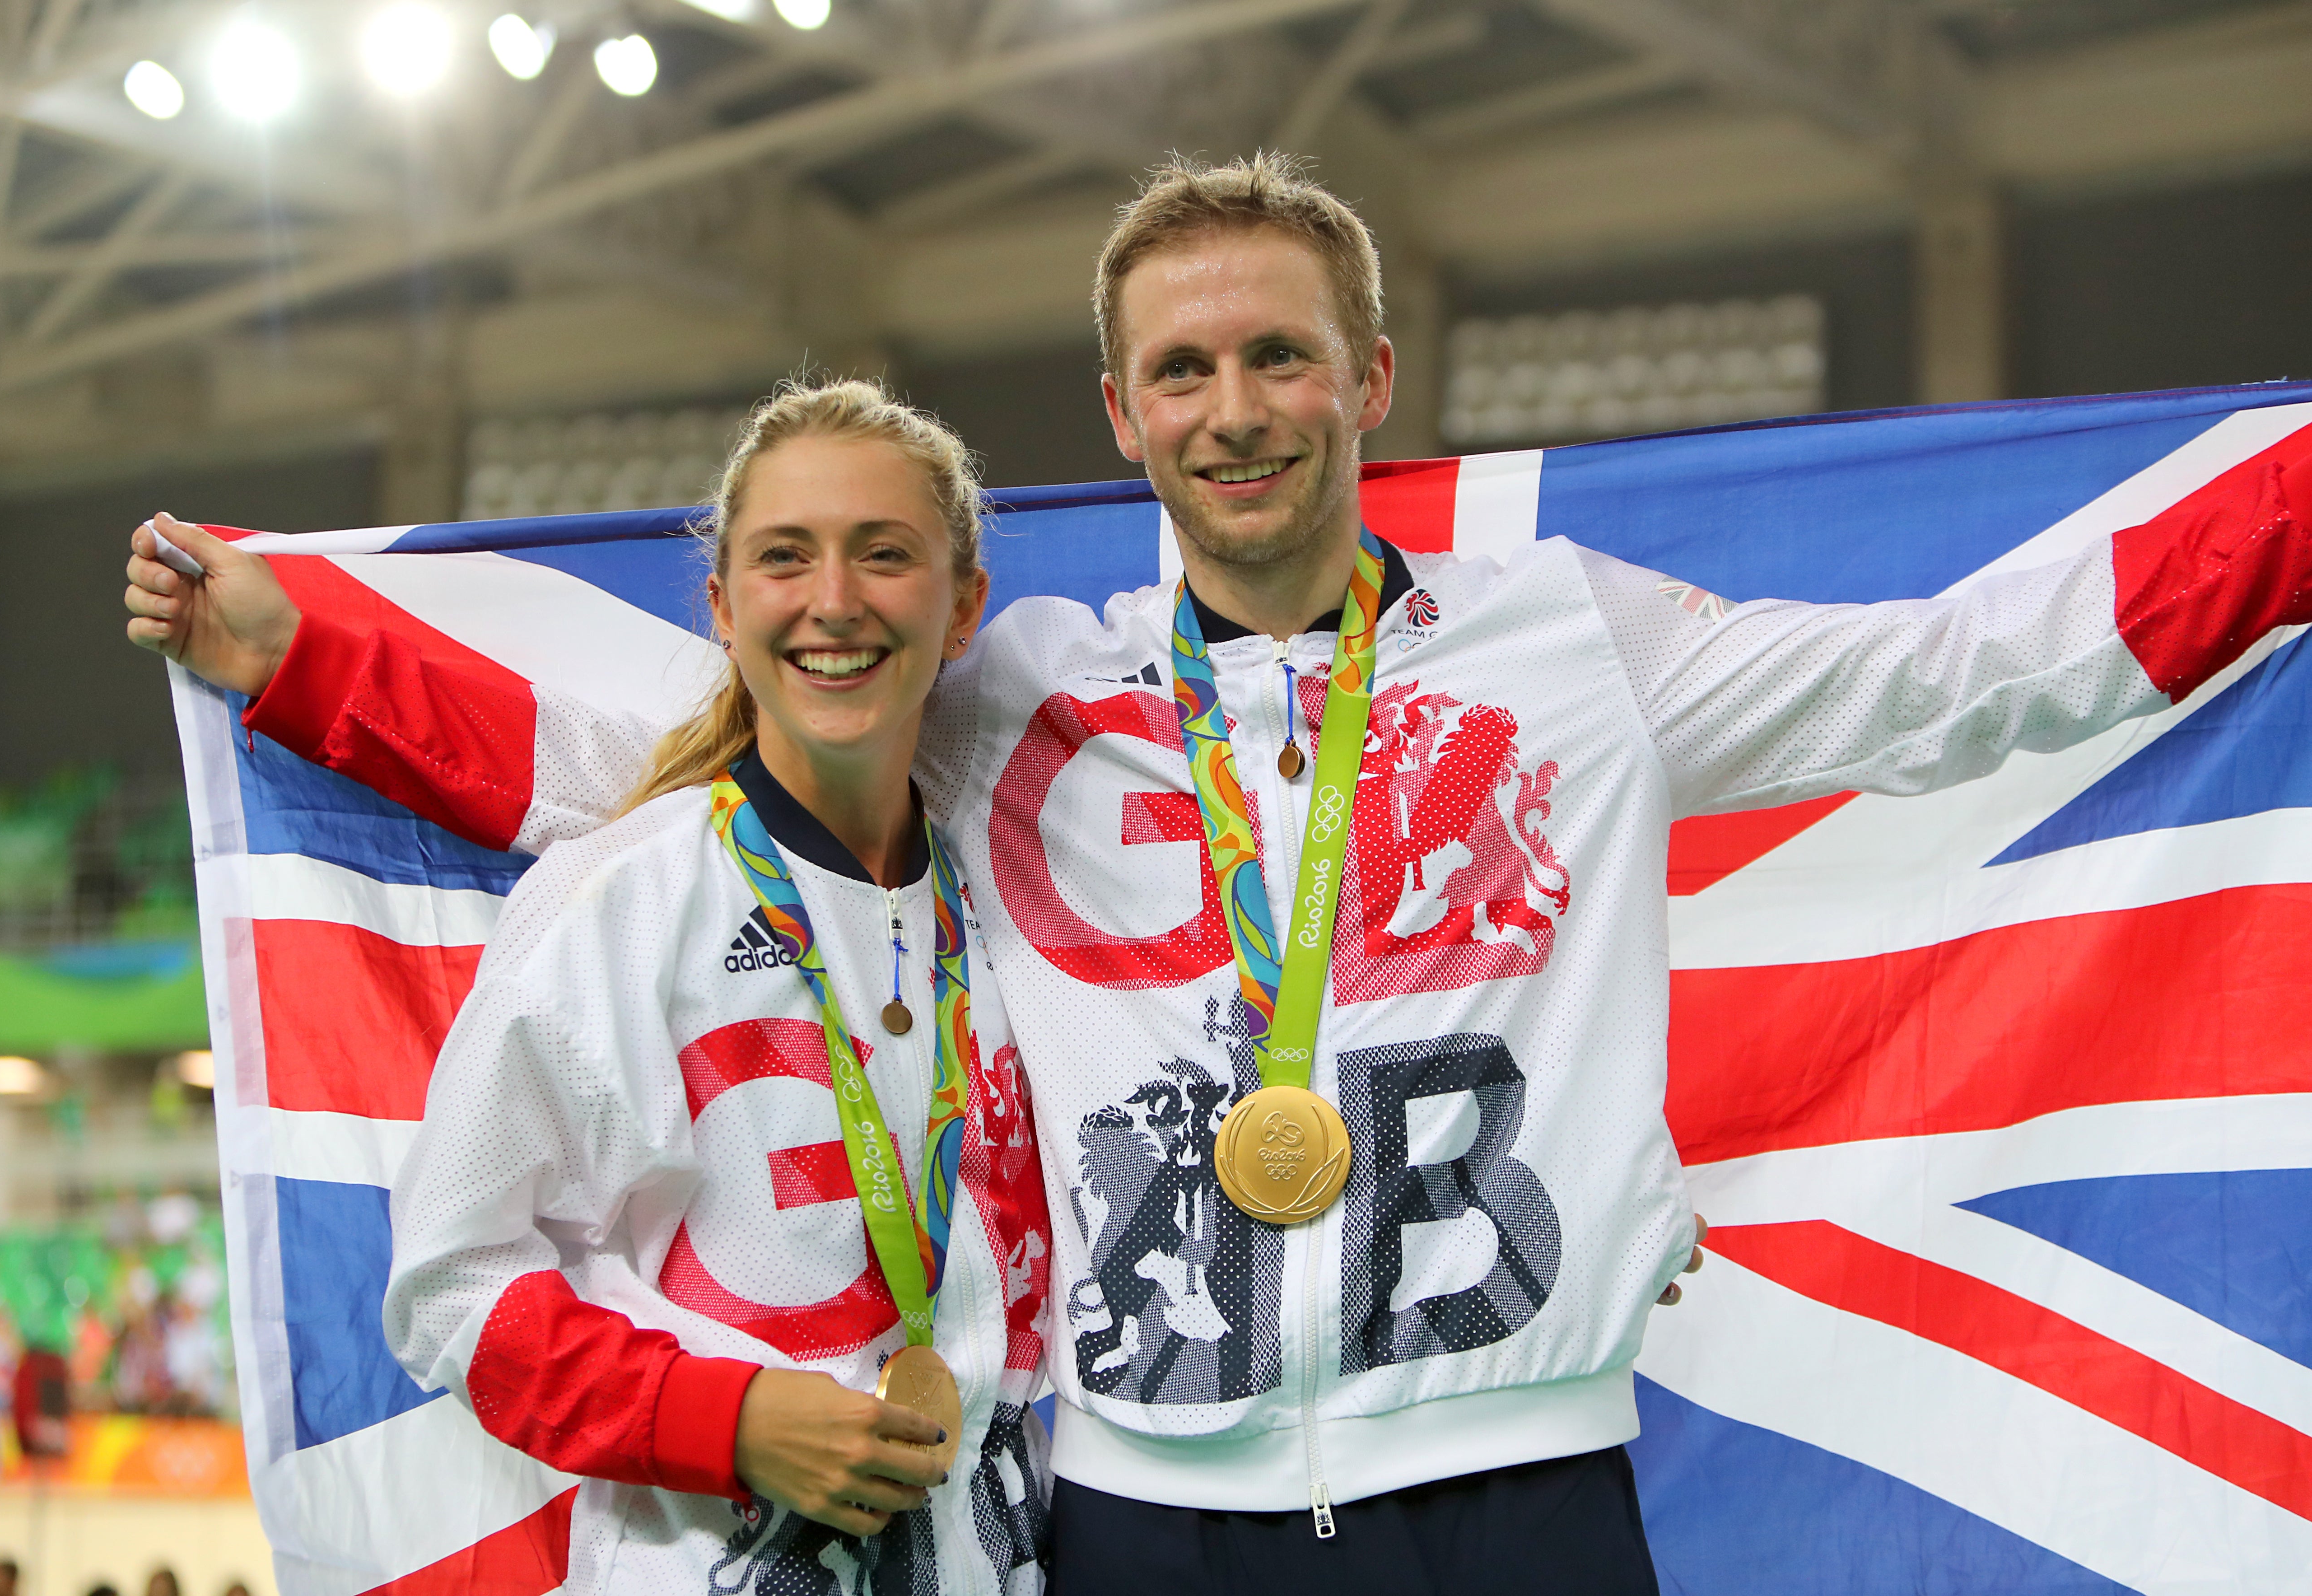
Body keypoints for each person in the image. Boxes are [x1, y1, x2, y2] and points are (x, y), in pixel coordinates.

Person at [125, 154, 2312, 1595]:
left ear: (1372, 377)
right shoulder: (1014, 694)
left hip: (1517, 1491)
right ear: (1122, 411)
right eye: (1187, 367)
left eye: (1283, 355)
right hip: (1148, 1525)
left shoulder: (1569, 643)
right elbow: (689, 748)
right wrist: (303, 657)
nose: (1239, 404)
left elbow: (1966, 676)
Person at [374, 381, 1053, 1592]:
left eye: (884, 555)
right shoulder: (624, 897)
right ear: (725, 606)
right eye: (785, 558)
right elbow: (446, 1285)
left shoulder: (1012, 902)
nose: (833, 600)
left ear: (964, 611)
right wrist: (723, 1420)